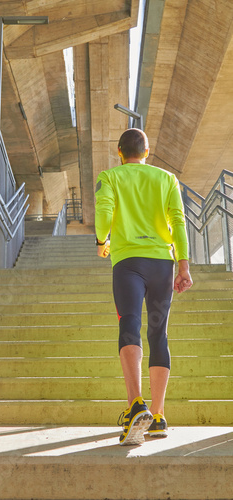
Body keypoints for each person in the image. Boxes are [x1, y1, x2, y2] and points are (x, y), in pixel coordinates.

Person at [95, 128, 193, 446]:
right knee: (158, 334)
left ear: (120, 152)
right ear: (146, 151)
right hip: (163, 265)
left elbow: (104, 213)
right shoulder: (166, 180)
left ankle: (137, 404)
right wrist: (183, 265)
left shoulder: (111, 177)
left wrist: (102, 240)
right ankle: (159, 415)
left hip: (128, 263)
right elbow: (178, 221)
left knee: (129, 327)